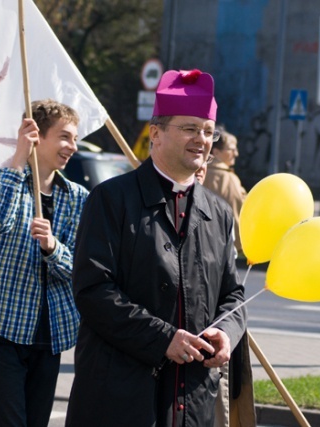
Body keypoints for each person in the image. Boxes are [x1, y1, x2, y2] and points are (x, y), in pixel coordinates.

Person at [65, 69, 247, 427]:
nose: (202, 139)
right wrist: (163, 338)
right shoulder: (111, 200)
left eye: (208, 131)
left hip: (192, 400)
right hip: (118, 398)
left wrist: (227, 334)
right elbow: (92, 290)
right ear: (156, 134)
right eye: (190, 128)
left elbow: (233, 295)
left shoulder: (218, 212)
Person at [0, 99, 88, 427]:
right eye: (65, 137)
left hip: (50, 336)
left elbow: (79, 269)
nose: (72, 147)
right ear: (39, 136)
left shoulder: (78, 198)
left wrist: (53, 247)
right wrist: (20, 156)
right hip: (3, 328)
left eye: (75, 139)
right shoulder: (2, 180)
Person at [195, 135, 256, 427]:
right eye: (232, 148)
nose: (236, 153)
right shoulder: (229, 182)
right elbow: (242, 218)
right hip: (220, 259)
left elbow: (235, 297)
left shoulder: (201, 176)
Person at [203, 128, 247, 254]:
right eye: (232, 149)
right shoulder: (229, 179)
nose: (236, 153)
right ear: (216, 152)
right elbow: (238, 212)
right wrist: (240, 244)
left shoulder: (193, 173)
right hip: (223, 246)